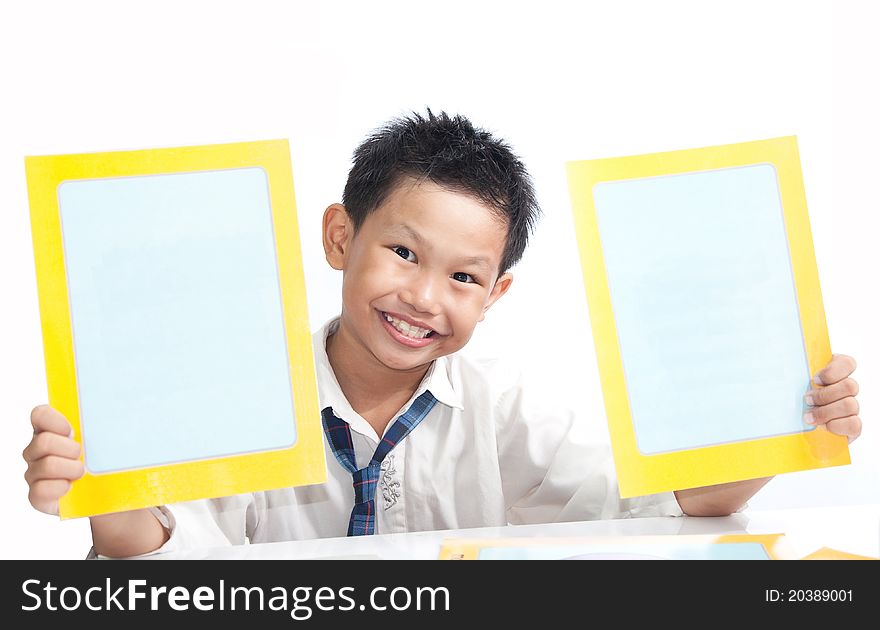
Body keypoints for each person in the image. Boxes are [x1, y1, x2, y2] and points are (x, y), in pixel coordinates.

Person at [23, 111, 862, 558]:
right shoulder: (242, 402)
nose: (424, 297)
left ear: (495, 294)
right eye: (401, 252)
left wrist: (781, 435)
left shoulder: (509, 409)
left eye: (463, 277)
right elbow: (169, 566)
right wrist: (109, 488)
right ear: (340, 237)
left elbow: (655, 514)